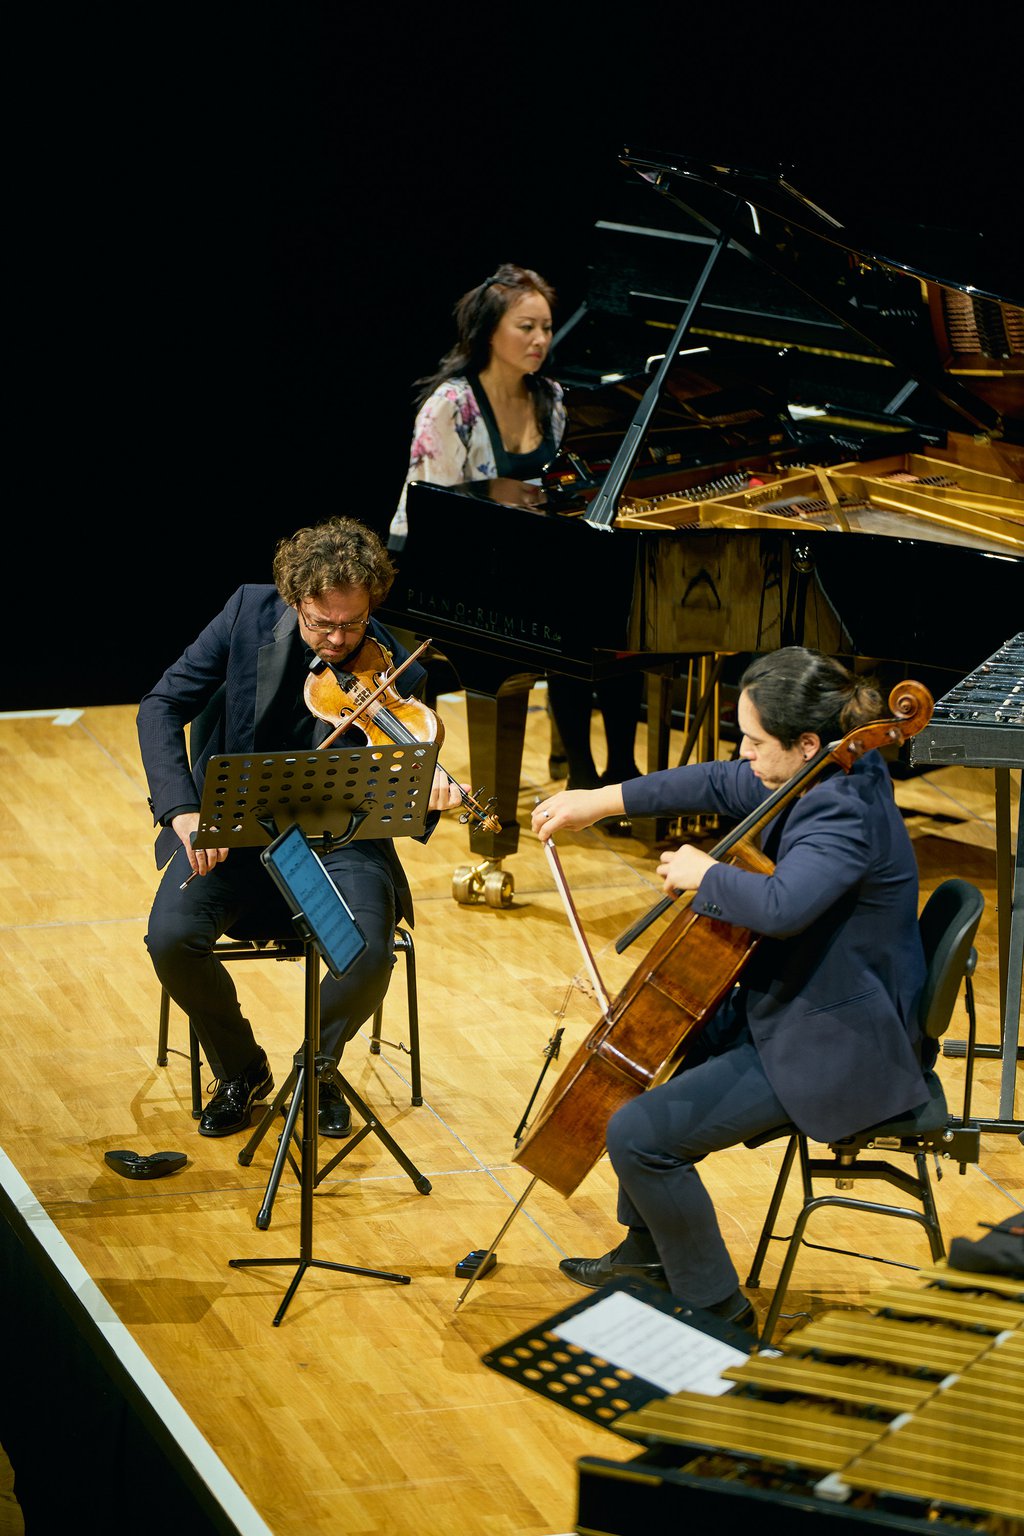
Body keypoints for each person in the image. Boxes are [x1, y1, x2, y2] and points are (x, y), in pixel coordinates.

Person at [531, 646, 931, 1332]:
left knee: (637, 1133)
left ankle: (716, 1306)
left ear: (806, 742)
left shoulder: (842, 809)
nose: (742, 754)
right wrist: (599, 800)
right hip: (800, 1003)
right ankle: (648, 1252)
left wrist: (703, 874)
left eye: (753, 741)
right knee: (654, 1060)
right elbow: (717, 783)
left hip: (836, 1044)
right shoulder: (821, 770)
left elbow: (783, 907)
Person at [137, 516, 465, 1140]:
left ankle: (317, 1071)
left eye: (353, 623)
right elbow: (161, 705)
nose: (339, 640)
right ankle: (241, 1068)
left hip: (339, 847)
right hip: (235, 835)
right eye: (323, 624)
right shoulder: (246, 614)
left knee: (368, 954)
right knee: (171, 939)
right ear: (295, 601)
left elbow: (400, 790)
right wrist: (181, 810)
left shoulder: (398, 670)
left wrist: (430, 795)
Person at [390, 261, 642, 794]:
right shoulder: (451, 405)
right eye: (526, 326)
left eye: (546, 327)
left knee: (609, 615)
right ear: (489, 331)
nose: (540, 339)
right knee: (562, 615)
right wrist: (490, 490)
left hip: (524, 557)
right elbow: (429, 508)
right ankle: (512, 797)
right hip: (443, 565)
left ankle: (609, 771)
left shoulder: (551, 398)